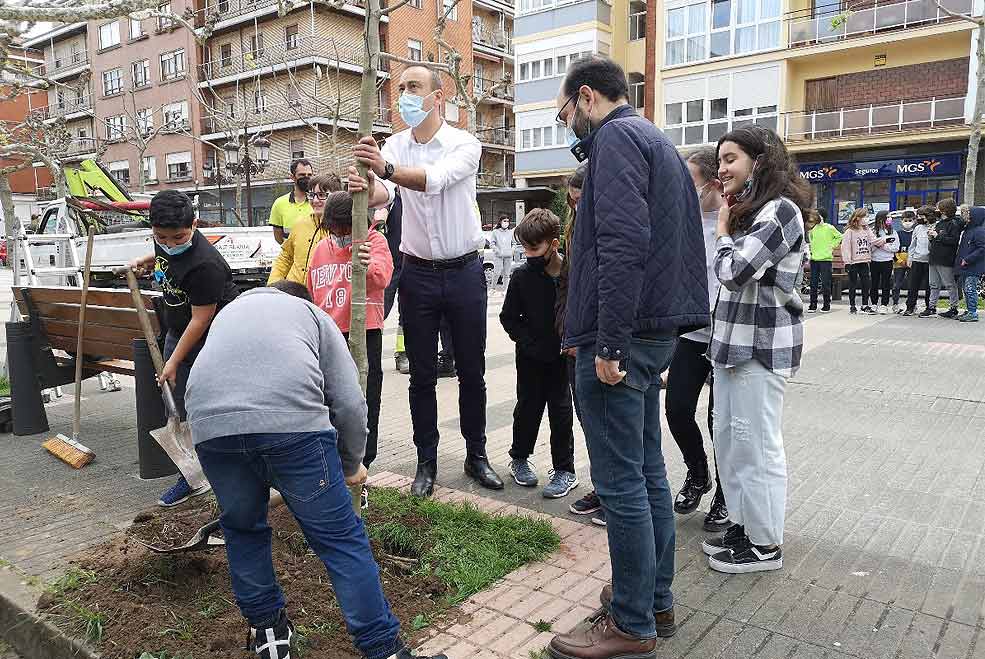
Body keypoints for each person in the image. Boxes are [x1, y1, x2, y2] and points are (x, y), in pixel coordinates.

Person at [185, 281, 445, 659]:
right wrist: (351, 463)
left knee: (242, 531)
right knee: (341, 541)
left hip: (211, 429)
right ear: (303, 299)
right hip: (293, 428)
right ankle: (384, 651)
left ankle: (271, 638)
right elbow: (351, 403)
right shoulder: (312, 314)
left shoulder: (229, 314)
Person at [548, 56, 709, 659]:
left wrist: (608, 341)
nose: (567, 125)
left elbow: (620, 242)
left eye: (565, 112)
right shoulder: (655, 141)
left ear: (586, 97)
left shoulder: (614, 140)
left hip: (622, 339)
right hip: (651, 331)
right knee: (647, 477)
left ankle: (631, 621)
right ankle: (655, 601)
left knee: (621, 486)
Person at [349, 64, 503, 496]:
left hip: (465, 272)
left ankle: (477, 455)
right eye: (399, 89)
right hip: (416, 273)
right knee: (420, 377)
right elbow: (387, 192)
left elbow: (433, 181)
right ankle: (426, 462)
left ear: (439, 97)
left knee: (471, 371)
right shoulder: (394, 145)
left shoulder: (463, 144)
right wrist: (362, 185)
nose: (404, 96)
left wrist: (385, 167)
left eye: (413, 88)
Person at [703, 124, 809, 575]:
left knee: (758, 448)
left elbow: (734, 271)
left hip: (759, 350)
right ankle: (743, 529)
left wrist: (722, 229)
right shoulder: (756, 212)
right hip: (732, 350)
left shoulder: (780, 212)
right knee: (731, 445)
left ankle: (764, 544)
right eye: (720, 160)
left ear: (759, 162)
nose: (721, 169)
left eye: (731, 159)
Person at [127, 190, 240, 507]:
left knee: (206, 405)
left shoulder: (205, 265)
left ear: (194, 224)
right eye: (162, 237)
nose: (171, 243)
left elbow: (202, 319)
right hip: (179, 325)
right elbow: (165, 257)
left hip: (214, 334)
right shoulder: (165, 237)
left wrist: (173, 361)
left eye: (179, 237)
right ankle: (192, 477)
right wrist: (147, 262)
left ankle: (226, 473)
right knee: (175, 402)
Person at [307, 191, 394, 509]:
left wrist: (362, 257)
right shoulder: (321, 249)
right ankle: (328, 474)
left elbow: (383, 278)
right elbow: (313, 291)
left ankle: (360, 472)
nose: (340, 237)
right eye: (335, 231)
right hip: (328, 336)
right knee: (327, 404)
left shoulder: (375, 242)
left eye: (346, 230)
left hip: (364, 334)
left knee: (363, 402)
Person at [665, 147, 730, 533]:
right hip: (691, 333)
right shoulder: (682, 222)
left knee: (719, 420)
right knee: (676, 409)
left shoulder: (733, 221)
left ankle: (725, 493)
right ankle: (697, 473)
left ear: (713, 183)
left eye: (690, 183)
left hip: (725, 336)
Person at [500, 208, 578, 499]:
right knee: (528, 408)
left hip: (563, 358)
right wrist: (527, 342)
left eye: (535, 248)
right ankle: (519, 458)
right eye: (525, 248)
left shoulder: (571, 274)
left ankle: (564, 469)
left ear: (554, 244)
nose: (529, 254)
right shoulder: (522, 277)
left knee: (561, 411)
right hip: (530, 358)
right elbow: (509, 317)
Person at [557, 165, 605, 525]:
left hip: (602, 343)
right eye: (570, 203)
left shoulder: (608, 227)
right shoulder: (575, 229)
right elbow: (567, 288)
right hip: (576, 341)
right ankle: (602, 487)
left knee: (607, 423)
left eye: (579, 201)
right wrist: (567, 332)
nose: (575, 209)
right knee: (587, 419)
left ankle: (613, 492)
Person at [268, 172, 343, 285]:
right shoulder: (300, 224)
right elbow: (286, 257)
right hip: (294, 295)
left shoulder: (344, 229)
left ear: (337, 196)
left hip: (324, 297)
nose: (315, 200)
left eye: (322, 195)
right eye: (312, 195)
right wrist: (273, 285)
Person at [929, 198, 962, 319]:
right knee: (933, 284)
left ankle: (954, 308)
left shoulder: (953, 223)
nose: (936, 210)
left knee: (949, 284)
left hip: (945, 259)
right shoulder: (939, 223)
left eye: (938, 208)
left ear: (944, 210)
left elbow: (953, 241)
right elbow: (936, 239)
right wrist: (931, 237)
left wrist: (938, 236)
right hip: (934, 258)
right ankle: (931, 307)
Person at [269, 159, 314, 245]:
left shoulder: (318, 202)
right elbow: (278, 236)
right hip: (291, 256)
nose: (306, 177)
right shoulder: (279, 203)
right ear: (292, 177)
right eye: (302, 175)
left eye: (309, 175)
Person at [806, 208, 842, 313]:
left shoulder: (829, 228)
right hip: (814, 260)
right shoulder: (812, 229)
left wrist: (832, 246)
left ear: (822, 216)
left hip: (826, 260)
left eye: (817, 215)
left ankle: (826, 304)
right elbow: (811, 240)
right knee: (813, 283)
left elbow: (839, 236)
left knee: (826, 283)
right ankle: (813, 304)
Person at [840, 209, 875, 314]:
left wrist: (884, 240)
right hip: (853, 262)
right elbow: (845, 247)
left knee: (866, 283)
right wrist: (847, 262)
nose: (866, 219)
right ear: (858, 218)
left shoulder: (866, 229)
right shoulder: (849, 231)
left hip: (864, 261)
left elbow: (873, 240)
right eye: (865, 216)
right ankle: (852, 305)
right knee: (853, 284)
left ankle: (865, 304)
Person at [955, 205, 985, 322]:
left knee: (970, 288)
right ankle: (969, 310)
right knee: (966, 289)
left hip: (973, 266)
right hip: (966, 266)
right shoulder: (968, 229)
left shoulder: (979, 231)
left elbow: (982, 248)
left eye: (966, 215)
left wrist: (968, 259)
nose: (963, 217)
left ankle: (973, 312)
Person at [903, 206, 933, 317]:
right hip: (917, 260)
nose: (919, 218)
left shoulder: (935, 226)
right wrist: (910, 258)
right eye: (919, 215)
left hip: (930, 261)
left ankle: (929, 307)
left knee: (929, 286)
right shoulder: (918, 228)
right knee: (912, 285)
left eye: (922, 216)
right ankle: (910, 307)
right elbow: (912, 245)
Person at [869, 210, 898, 315]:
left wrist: (882, 245)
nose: (889, 219)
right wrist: (878, 244)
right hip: (875, 261)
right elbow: (870, 247)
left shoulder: (893, 232)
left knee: (886, 283)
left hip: (887, 261)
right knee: (874, 283)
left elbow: (895, 247)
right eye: (887, 217)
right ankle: (873, 304)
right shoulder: (873, 232)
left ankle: (884, 305)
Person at [892, 210, 916, 313]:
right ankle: (895, 304)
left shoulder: (916, 233)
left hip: (912, 263)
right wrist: (899, 260)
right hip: (899, 263)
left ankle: (911, 305)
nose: (907, 222)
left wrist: (912, 260)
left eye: (910, 220)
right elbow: (894, 249)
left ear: (914, 221)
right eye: (905, 220)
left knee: (912, 285)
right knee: (896, 285)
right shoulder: (898, 234)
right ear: (901, 221)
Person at [491, 214, 514, 293]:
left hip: (508, 256)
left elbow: (514, 243)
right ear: (500, 222)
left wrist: (512, 251)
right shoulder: (495, 232)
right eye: (504, 221)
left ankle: (505, 290)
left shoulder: (510, 232)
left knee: (507, 274)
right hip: (498, 256)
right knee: (497, 272)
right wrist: (496, 250)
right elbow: (492, 244)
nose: (506, 222)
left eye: (507, 221)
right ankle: (493, 288)